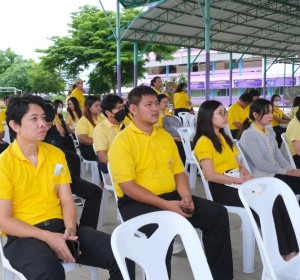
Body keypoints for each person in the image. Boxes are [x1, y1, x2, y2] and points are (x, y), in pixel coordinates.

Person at [0, 94, 127, 280]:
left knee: (122, 253)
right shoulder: (2, 164)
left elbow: (68, 201)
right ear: (15, 125)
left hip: (60, 227)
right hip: (24, 237)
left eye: (44, 118)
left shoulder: (55, 155)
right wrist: (48, 237)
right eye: (34, 119)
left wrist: (70, 229)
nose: (43, 124)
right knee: (49, 271)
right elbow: (4, 221)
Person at [108, 86, 233, 280]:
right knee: (163, 230)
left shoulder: (164, 136)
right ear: (133, 109)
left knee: (217, 213)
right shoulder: (122, 142)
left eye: (156, 104)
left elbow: (179, 173)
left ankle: (220, 277)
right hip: (137, 202)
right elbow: (128, 187)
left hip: (172, 196)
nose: (155, 109)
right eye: (148, 105)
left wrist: (186, 196)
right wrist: (167, 207)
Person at [195, 99, 298, 262]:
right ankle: (279, 253)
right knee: (262, 202)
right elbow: (210, 175)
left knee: (276, 198)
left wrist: (244, 173)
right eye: (220, 113)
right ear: (208, 117)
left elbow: (239, 164)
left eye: (225, 112)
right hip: (222, 188)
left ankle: (291, 250)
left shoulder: (225, 138)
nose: (225, 116)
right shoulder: (204, 142)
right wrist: (238, 181)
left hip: (236, 181)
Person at [43, 103, 102, 229]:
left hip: (59, 176)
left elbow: (60, 158)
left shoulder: (53, 133)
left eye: (49, 124)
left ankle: (87, 230)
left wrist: (61, 179)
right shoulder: (30, 139)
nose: (45, 128)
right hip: (43, 183)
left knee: (94, 192)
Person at [239, 98, 300, 194]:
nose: (271, 116)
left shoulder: (269, 131)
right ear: (255, 115)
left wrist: (293, 171)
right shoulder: (248, 135)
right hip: (264, 177)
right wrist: (287, 172)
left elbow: (278, 155)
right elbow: (260, 163)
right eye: (267, 113)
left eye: (271, 112)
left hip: (275, 173)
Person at [93, 94, 125, 174]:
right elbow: (103, 157)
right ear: (108, 113)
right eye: (119, 108)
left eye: (123, 107)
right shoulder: (100, 129)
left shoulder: (127, 125)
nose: (123, 110)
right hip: (115, 168)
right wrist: (123, 167)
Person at [156, 94, 186, 164]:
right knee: (180, 146)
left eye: (167, 102)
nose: (166, 104)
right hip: (164, 139)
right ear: (158, 103)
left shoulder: (168, 113)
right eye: (164, 102)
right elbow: (158, 132)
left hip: (175, 136)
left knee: (187, 143)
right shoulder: (155, 115)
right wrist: (173, 138)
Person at [75, 96, 105, 161]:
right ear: (89, 108)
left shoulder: (103, 119)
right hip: (89, 148)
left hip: (103, 146)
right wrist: (101, 143)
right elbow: (83, 139)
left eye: (100, 105)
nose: (99, 108)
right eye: (96, 106)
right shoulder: (83, 121)